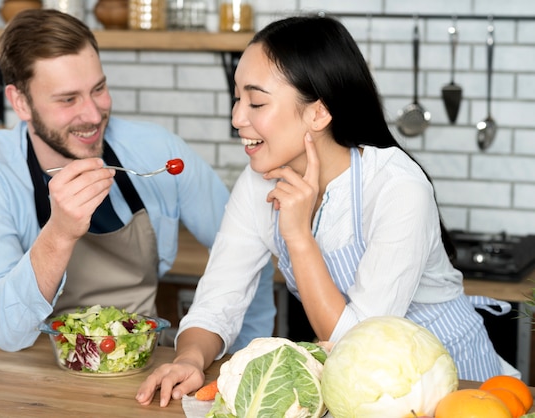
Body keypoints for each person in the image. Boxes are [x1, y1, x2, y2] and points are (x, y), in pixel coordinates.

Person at [137, 14, 518, 407]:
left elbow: (354, 343)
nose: (237, 118)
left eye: (256, 102)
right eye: (237, 98)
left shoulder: (396, 188)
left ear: (318, 113)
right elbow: (219, 298)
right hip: (359, 392)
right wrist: (190, 358)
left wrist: (299, 237)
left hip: (454, 383)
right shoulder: (259, 181)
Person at [0, 9, 275, 353]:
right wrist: (59, 234)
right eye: (68, 99)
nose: (93, 115)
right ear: (20, 102)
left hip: (137, 363)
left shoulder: (156, 151)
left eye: (99, 89)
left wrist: (244, 352)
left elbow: (248, 249)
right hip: (37, 373)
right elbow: (4, 332)